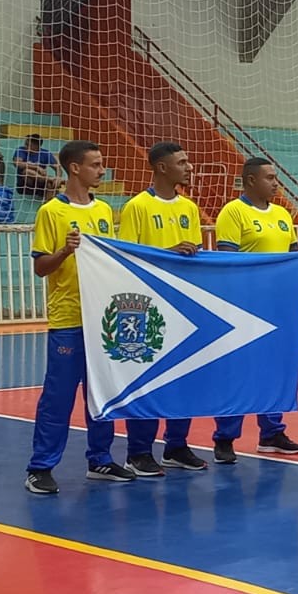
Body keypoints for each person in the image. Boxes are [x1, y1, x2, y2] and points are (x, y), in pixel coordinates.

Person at [24, 140, 135, 494]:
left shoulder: (104, 210)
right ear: (76, 168)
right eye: (96, 164)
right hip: (69, 317)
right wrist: (64, 251)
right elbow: (42, 267)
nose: (102, 170)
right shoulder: (51, 212)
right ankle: (40, 467)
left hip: (102, 318)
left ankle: (100, 459)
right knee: (59, 395)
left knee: (102, 392)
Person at [211, 157, 298, 461]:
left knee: (274, 370)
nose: (275, 183)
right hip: (245, 307)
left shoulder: (282, 214)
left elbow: (292, 256)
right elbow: (228, 260)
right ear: (251, 180)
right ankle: (225, 438)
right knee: (239, 372)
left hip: (279, 307)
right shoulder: (234, 212)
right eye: (269, 177)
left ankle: (272, 433)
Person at [117, 142, 209, 476]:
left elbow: (193, 256)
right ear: (161, 167)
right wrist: (170, 250)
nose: (188, 167)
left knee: (184, 374)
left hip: (183, 305)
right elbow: (127, 258)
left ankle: (177, 445)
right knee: (149, 379)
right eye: (182, 162)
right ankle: (138, 451)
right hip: (148, 306)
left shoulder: (189, 207)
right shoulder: (137, 207)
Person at [12, 132, 59, 201]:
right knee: (27, 171)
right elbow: (17, 163)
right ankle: (48, 179)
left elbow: (57, 167)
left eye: (27, 144)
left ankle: (47, 205)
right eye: (25, 143)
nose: (25, 146)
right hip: (25, 185)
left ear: (36, 146)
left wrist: (58, 177)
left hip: (39, 183)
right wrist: (37, 167)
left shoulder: (45, 153)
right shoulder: (21, 150)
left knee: (51, 184)